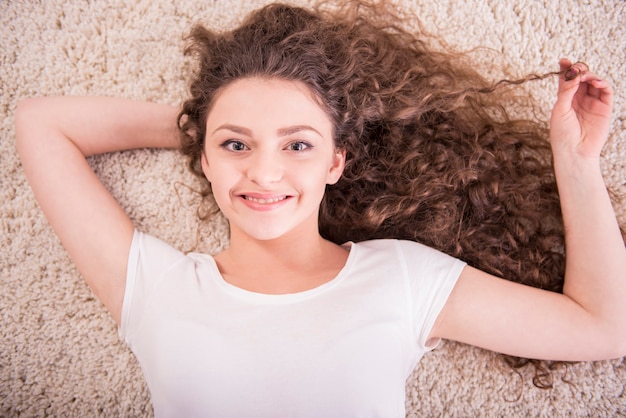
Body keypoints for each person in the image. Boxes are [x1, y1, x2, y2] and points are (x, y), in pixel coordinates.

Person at [14, 1, 625, 416]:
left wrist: (575, 162)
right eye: (235, 145)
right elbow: (41, 122)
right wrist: (206, 126)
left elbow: (604, 327)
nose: (264, 172)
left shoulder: (402, 279)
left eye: (298, 144)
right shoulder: (155, 289)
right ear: (203, 157)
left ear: (336, 162)